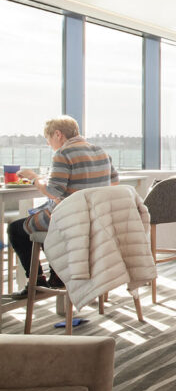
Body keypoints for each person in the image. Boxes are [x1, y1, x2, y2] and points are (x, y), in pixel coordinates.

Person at [7, 116, 119, 298]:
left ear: (58, 134)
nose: (48, 143)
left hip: (69, 220)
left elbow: (52, 191)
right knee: (40, 219)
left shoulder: (63, 154)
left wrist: (34, 178)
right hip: (95, 221)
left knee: (15, 229)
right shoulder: (101, 151)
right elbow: (113, 184)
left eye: (48, 138)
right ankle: (57, 276)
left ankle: (37, 282)